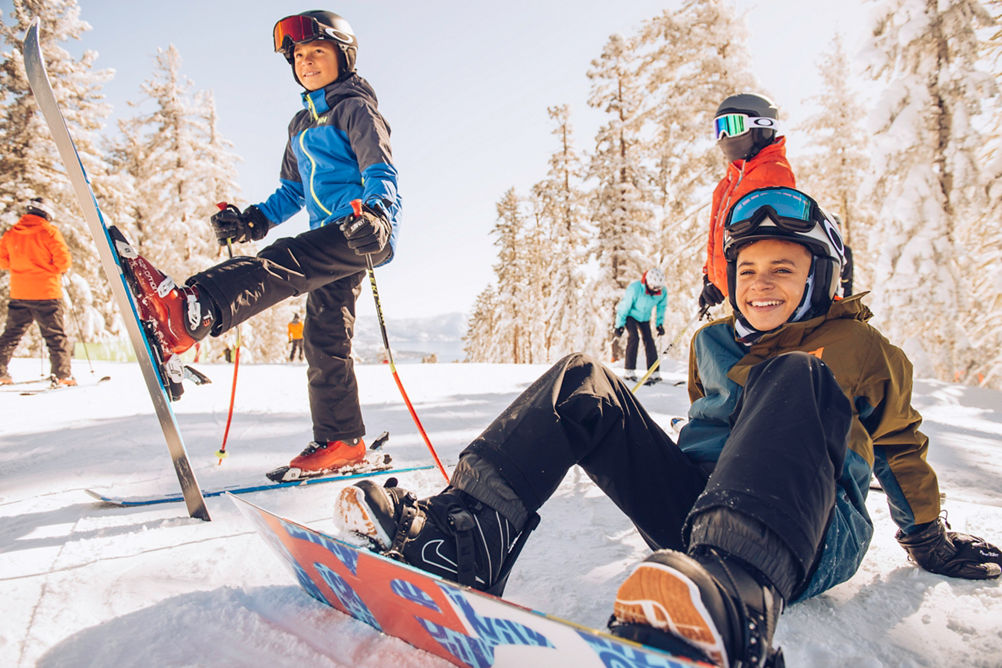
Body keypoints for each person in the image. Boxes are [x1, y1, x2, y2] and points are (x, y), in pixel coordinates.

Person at [333, 186, 1002, 667]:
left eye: (784, 269)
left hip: (811, 533)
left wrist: (929, 537)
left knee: (796, 375)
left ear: (820, 276)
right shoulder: (711, 341)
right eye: (748, 269)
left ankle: (735, 597)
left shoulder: (860, 348)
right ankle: (462, 537)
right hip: (699, 516)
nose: (760, 283)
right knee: (581, 380)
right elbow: (704, 430)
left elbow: (898, 446)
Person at [118, 10, 401, 478]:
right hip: (328, 239)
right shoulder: (300, 125)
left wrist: (379, 216)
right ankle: (343, 440)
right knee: (325, 338)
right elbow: (291, 192)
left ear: (343, 57)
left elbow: (380, 171)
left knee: (282, 263)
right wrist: (252, 221)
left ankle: (192, 309)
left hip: (360, 231)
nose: (307, 62)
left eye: (318, 52)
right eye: (300, 56)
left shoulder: (356, 109)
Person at [699, 93, 795, 316]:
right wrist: (713, 278)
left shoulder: (773, 172)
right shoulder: (727, 183)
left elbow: (764, 241)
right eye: (719, 128)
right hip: (736, 291)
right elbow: (719, 235)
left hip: (758, 293)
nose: (724, 136)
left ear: (762, 126)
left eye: (732, 125)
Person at [0, 198, 75, 386]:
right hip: (46, 292)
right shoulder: (49, 232)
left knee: (11, 335)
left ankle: (0, 372)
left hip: (20, 292)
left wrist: (20, 267)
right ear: (47, 213)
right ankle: (62, 375)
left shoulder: (11, 234)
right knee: (55, 336)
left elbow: (2, 260)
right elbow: (63, 262)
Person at [614, 268, 667, 384]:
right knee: (634, 337)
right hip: (630, 315)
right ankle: (629, 371)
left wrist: (659, 324)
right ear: (648, 283)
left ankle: (654, 372)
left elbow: (661, 308)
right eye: (655, 287)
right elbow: (624, 307)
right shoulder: (635, 289)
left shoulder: (662, 292)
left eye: (659, 287)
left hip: (644, 318)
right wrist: (619, 325)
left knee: (649, 341)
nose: (657, 290)